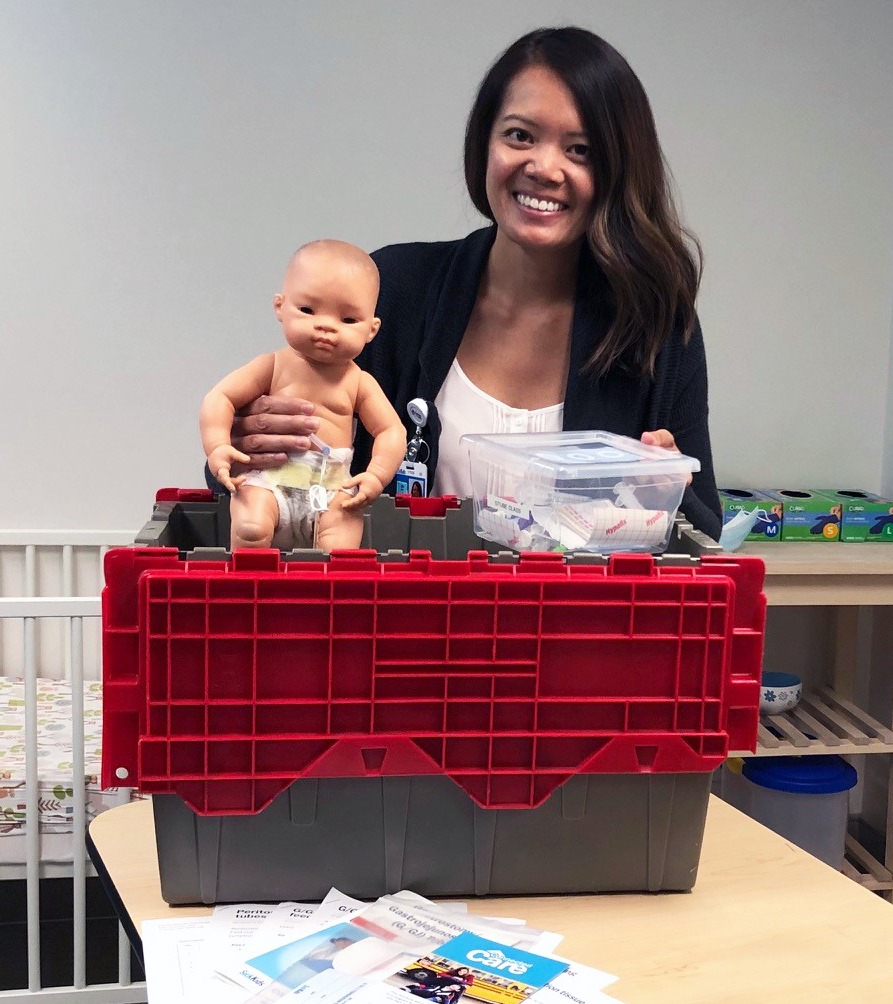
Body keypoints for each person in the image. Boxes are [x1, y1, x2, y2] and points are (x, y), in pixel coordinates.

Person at [217, 26, 722, 541]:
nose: (544, 167)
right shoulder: (393, 288)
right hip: (395, 616)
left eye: (581, 149)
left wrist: (662, 493)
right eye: (520, 135)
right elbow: (246, 487)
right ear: (484, 144)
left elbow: (705, 529)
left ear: (619, 169)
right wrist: (253, 438)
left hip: (572, 621)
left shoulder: (655, 324)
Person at [200, 240, 406, 551]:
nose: (325, 326)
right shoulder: (272, 366)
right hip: (270, 481)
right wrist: (218, 446)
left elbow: (391, 430)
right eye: (308, 310)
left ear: (371, 330)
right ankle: (249, 589)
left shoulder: (359, 382)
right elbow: (220, 398)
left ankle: (326, 595)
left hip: (332, 487)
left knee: (341, 546)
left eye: (348, 319)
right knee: (251, 527)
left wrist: (376, 475)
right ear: (280, 306)